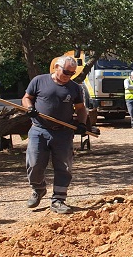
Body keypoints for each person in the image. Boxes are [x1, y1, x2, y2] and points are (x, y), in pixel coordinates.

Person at [23, 56, 88, 214]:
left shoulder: (74, 88)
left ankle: (58, 200)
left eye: (72, 73)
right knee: (34, 163)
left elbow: (80, 108)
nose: (68, 75)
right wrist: (29, 108)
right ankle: (38, 189)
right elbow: (26, 98)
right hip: (39, 130)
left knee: (64, 167)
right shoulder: (39, 81)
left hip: (63, 134)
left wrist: (81, 124)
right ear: (56, 67)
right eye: (66, 71)